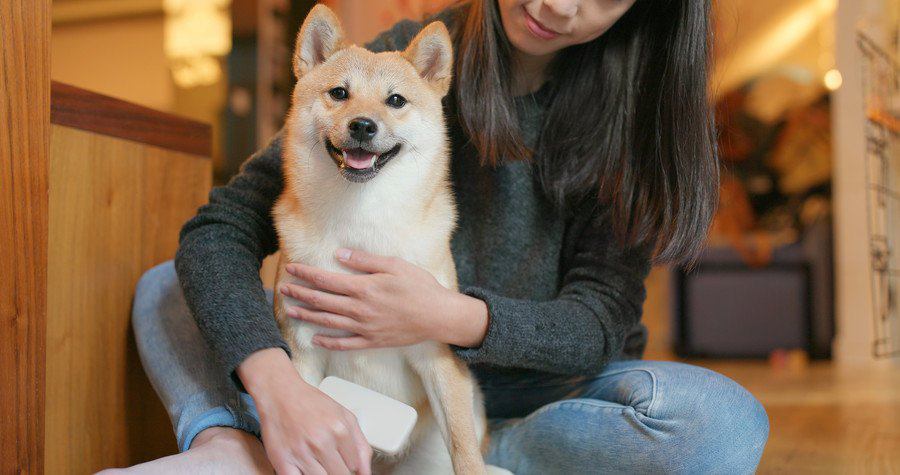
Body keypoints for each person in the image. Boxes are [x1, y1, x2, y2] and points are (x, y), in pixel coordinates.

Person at [117, 1, 770, 473]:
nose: (556, 5)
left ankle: (478, 459)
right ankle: (243, 442)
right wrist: (279, 386)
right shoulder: (397, 64)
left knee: (719, 423)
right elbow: (221, 229)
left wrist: (443, 314)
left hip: (543, 407)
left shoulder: (632, 119)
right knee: (167, 287)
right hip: (351, 392)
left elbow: (600, 320)